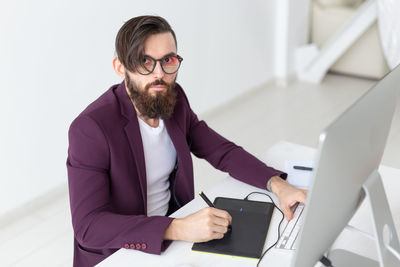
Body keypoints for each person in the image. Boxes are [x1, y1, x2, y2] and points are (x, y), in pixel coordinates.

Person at [66, 15, 307, 267]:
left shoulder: (174, 99)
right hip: (122, 251)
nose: (159, 74)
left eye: (168, 60)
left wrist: (277, 184)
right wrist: (177, 228)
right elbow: (89, 226)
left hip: (174, 237)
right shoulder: (90, 128)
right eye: (145, 61)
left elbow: (221, 151)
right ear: (120, 67)